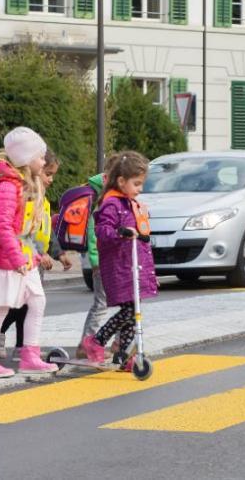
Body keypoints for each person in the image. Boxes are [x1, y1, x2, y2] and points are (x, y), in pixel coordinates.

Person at [0, 127, 59, 378]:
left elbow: (22, 230)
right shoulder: (8, 187)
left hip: (22, 257)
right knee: (0, 308)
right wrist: (17, 258)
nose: (43, 162)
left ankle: (29, 355)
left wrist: (30, 256)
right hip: (7, 258)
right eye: (40, 157)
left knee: (37, 301)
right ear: (25, 157)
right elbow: (2, 227)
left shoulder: (22, 184)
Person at [80, 151, 158, 369]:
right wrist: (120, 232)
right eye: (137, 184)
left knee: (134, 312)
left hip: (133, 265)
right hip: (119, 267)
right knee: (130, 311)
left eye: (141, 184)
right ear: (121, 181)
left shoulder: (130, 203)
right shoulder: (111, 204)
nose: (140, 189)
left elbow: (139, 235)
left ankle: (122, 353)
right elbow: (102, 230)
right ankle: (96, 341)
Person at [0, 150, 72, 361]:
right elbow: (22, 233)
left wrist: (59, 254)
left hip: (36, 261)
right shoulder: (26, 198)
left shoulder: (43, 200)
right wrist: (41, 253)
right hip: (23, 260)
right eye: (48, 173)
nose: (51, 179)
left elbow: (46, 232)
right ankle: (0, 335)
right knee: (17, 304)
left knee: (27, 305)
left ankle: (22, 347)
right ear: (35, 171)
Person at [75, 171, 109, 359]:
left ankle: (87, 344)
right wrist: (95, 260)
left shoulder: (94, 193)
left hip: (103, 260)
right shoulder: (95, 199)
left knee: (105, 303)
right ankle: (85, 345)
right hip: (101, 261)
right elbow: (91, 232)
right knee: (102, 304)